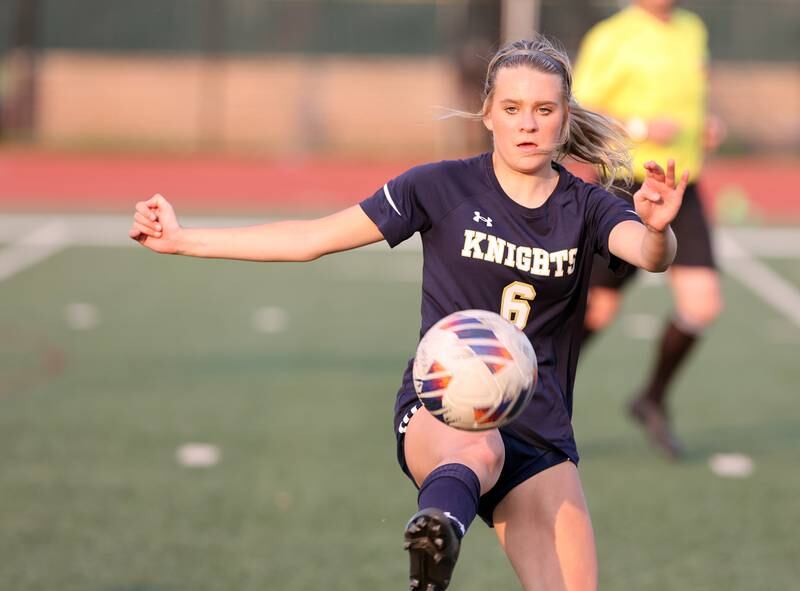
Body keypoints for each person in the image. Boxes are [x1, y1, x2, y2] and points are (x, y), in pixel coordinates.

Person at [129, 36, 688, 591]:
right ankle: (438, 533)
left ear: (565, 119)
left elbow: (646, 254)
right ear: (488, 113)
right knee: (478, 442)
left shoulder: (587, 205)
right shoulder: (439, 186)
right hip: (442, 410)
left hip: (540, 429)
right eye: (513, 109)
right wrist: (184, 240)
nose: (527, 124)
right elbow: (312, 238)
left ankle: (443, 527)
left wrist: (659, 230)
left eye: (544, 110)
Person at [572, 0, 724, 460]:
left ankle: (651, 398)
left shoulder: (692, 28)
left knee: (702, 304)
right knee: (597, 310)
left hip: (681, 184)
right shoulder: (612, 36)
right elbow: (579, 109)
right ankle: (537, 393)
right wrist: (640, 126)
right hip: (625, 183)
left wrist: (706, 125)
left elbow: (693, 100)